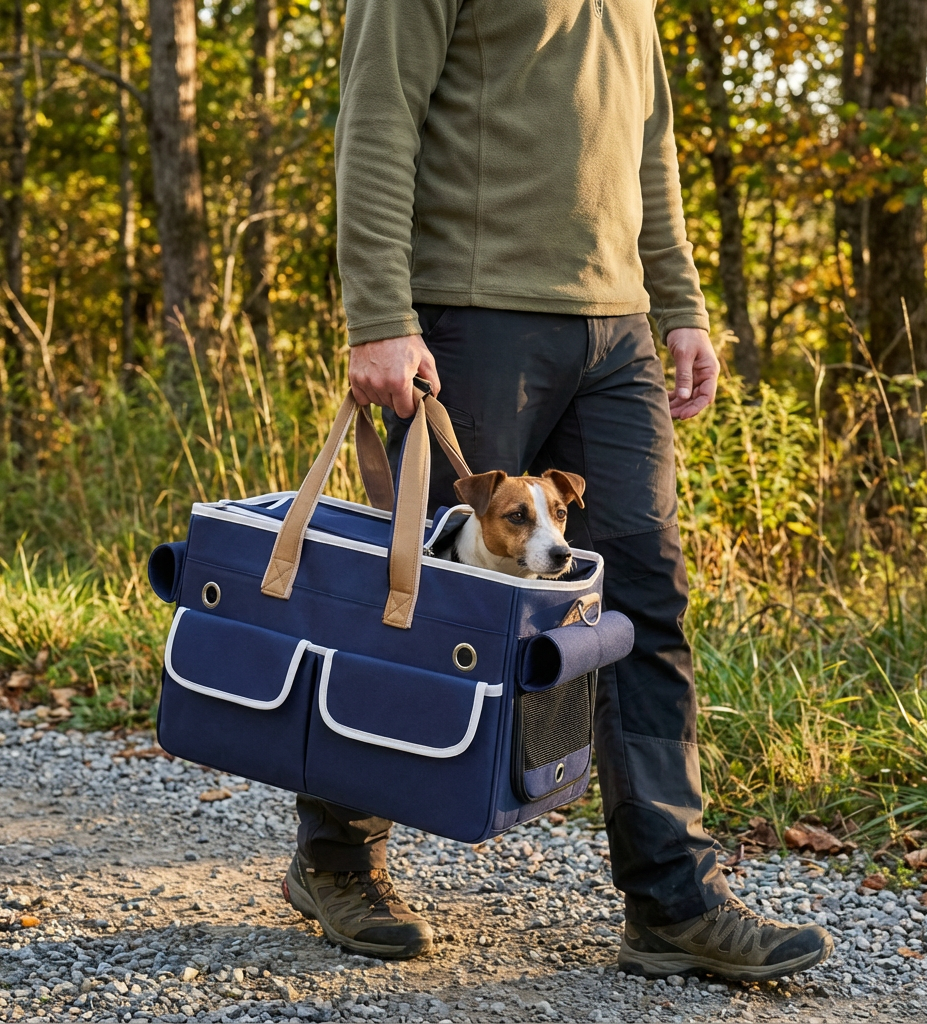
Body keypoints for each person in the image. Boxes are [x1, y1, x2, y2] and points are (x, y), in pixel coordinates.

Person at [282, 0, 834, 981]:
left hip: (616, 332)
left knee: (643, 600)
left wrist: (681, 306)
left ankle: (671, 896)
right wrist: (377, 312)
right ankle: (337, 854)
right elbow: (375, 114)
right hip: (468, 313)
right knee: (415, 596)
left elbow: (647, 147)